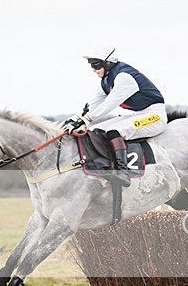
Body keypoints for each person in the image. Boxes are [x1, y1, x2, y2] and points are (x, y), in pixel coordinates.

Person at [63, 47, 166, 187]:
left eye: (96, 65)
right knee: (95, 130)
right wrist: (74, 119)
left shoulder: (124, 76)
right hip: (138, 114)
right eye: (91, 65)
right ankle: (104, 165)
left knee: (114, 131)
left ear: (108, 63)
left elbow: (110, 103)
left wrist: (86, 120)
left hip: (154, 116)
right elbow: (93, 103)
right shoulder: (106, 80)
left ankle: (122, 172)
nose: (93, 69)